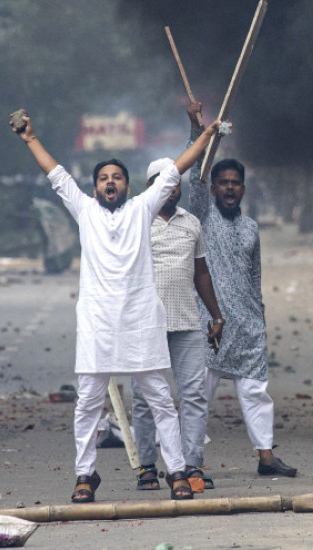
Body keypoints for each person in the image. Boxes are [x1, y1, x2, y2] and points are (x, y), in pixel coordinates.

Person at [10, 110, 221, 503]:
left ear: (128, 186)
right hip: (97, 324)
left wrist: (205, 136)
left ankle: (175, 470)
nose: (111, 182)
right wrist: (30, 139)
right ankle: (85, 475)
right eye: (104, 178)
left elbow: (176, 169)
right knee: (88, 402)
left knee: (159, 397)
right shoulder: (85, 211)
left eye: (117, 177)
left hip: (141, 321)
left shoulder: (142, 209)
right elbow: (56, 175)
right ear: (94, 190)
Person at [187, 103, 297, 480]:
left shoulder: (250, 227)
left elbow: (255, 278)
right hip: (208, 324)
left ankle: (267, 458)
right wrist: (198, 131)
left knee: (256, 393)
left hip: (248, 325)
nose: (230, 188)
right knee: (199, 395)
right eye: (224, 183)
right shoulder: (202, 215)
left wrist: (260, 319)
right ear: (215, 189)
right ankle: (192, 462)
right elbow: (194, 179)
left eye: (236, 183)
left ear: (243, 189)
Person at [131, 157, 226, 493]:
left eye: (175, 183)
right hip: (145, 324)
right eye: (162, 182)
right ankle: (146, 465)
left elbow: (201, 273)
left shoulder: (192, 224)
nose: (170, 188)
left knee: (194, 396)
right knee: (144, 399)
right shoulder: (136, 220)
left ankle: (192, 464)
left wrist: (216, 315)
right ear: (149, 187)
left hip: (187, 321)